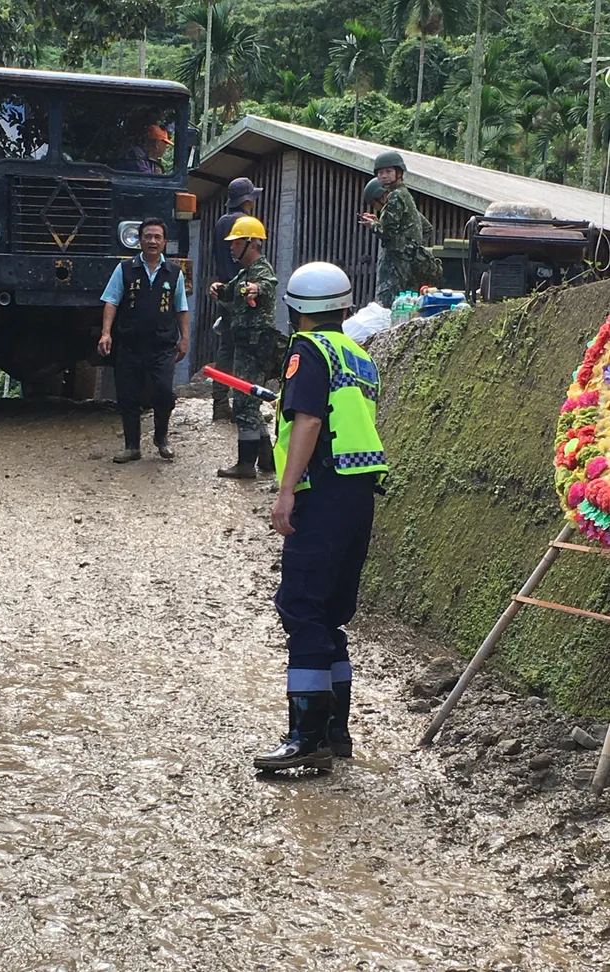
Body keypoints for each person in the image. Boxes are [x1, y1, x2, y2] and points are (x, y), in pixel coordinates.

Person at [253, 262, 388, 773]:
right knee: (329, 612)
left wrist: (286, 491)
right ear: (344, 307)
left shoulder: (308, 350)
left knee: (301, 605)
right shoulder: (358, 354)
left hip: (322, 489)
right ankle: (335, 733)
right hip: (358, 493)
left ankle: (304, 737)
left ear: (296, 310)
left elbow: (309, 420)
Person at [97, 218, 189, 462]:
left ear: (165, 242)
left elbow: (181, 307)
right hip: (129, 343)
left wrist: (185, 338)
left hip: (162, 345)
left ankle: (161, 438)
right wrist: (106, 333)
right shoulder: (125, 269)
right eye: (148, 236)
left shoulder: (175, 272)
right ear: (139, 240)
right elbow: (111, 301)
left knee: (163, 393)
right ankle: (131, 446)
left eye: (158, 237)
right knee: (128, 395)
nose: (152, 241)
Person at [209, 216, 277, 479]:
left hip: (254, 345)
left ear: (252, 243)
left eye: (236, 242)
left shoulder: (260, 271)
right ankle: (266, 459)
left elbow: (267, 286)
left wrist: (255, 289)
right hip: (246, 345)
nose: (231, 247)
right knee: (249, 402)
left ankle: (246, 464)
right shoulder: (244, 273)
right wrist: (219, 289)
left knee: (244, 403)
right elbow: (232, 291)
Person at [211, 177, 264, 423]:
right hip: (244, 293)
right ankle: (246, 406)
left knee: (226, 348)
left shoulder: (221, 222)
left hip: (225, 291)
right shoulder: (247, 224)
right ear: (247, 200)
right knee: (248, 350)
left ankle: (220, 403)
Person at [359, 151, 430, 308]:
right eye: (380, 172)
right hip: (410, 264)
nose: (384, 176)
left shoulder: (395, 196)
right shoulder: (405, 194)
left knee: (389, 307)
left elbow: (387, 234)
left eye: (388, 171)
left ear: (399, 173)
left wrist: (373, 226)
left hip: (396, 266)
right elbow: (425, 228)